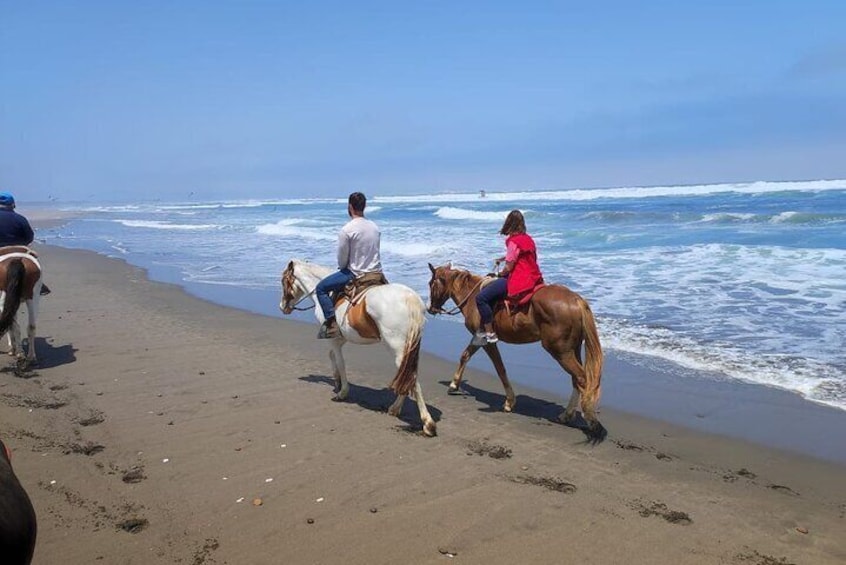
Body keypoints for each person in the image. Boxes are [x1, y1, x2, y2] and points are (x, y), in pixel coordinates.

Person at [315, 192, 382, 339]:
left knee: (320, 288)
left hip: (356, 273)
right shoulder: (374, 227)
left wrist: (343, 267)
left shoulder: (347, 229)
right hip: (377, 274)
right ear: (364, 207)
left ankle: (332, 324)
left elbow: (342, 259)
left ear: (350, 207)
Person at [475, 209, 544, 343]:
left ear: (509, 223)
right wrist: (503, 258)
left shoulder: (513, 241)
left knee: (481, 298)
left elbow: (509, 268)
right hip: (534, 277)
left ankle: (489, 333)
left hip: (519, 279)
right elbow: (521, 257)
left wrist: (498, 274)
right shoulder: (528, 239)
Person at [0, 192, 50, 295]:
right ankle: (40, 286)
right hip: (19, 247)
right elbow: (29, 237)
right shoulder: (20, 218)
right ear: (13, 205)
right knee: (33, 261)